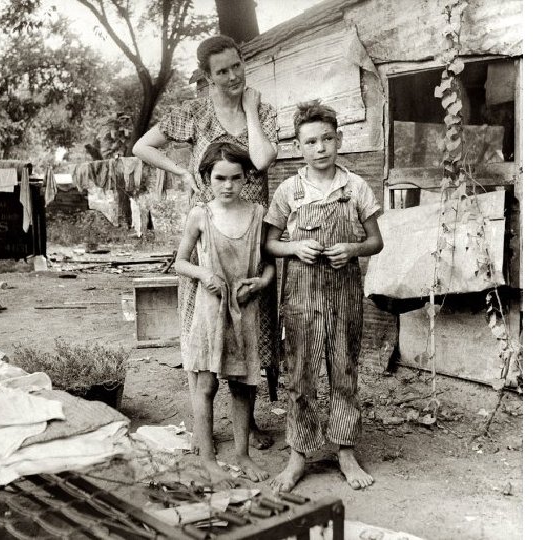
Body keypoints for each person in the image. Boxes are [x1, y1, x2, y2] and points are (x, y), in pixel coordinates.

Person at [133, 35, 279, 449]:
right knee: (205, 323)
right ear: (207, 76)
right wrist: (181, 172)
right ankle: (203, 425)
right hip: (208, 231)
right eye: (222, 71)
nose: (233, 76)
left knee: (249, 323)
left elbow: (262, 160)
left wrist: (249, 110)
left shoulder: (263, 110)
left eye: (237, 66)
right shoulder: (194, 112)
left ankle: (247, 423)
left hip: (250, 232)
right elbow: (142, 146)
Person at [264, 100, 384, 492]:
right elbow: (269, 243)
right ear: (298, 147)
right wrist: (294, 248)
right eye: (311, 141)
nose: (320, 148)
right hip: (301, 296)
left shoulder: (356, 187)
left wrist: (352, 249)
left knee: (344, 371)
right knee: (300, 375)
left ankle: (345, 451)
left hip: (345, 294)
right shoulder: (289, 190)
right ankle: (298, 455)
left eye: (327, 139)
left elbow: (376, 241)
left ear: (339, 140)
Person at [174, 142, 273, 485]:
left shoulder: (258, 214)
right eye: (220, 178)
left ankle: (242, 455)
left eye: (235, 178)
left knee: (244, 386)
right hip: (210, 311)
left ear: (246, 178)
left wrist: (261, 282)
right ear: (206, 178)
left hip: (245, 310)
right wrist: (203, 274)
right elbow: (180, 262)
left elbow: (269, 264)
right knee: (206, 383)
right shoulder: (201, 215)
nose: (228, 185)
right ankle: (208, 460)